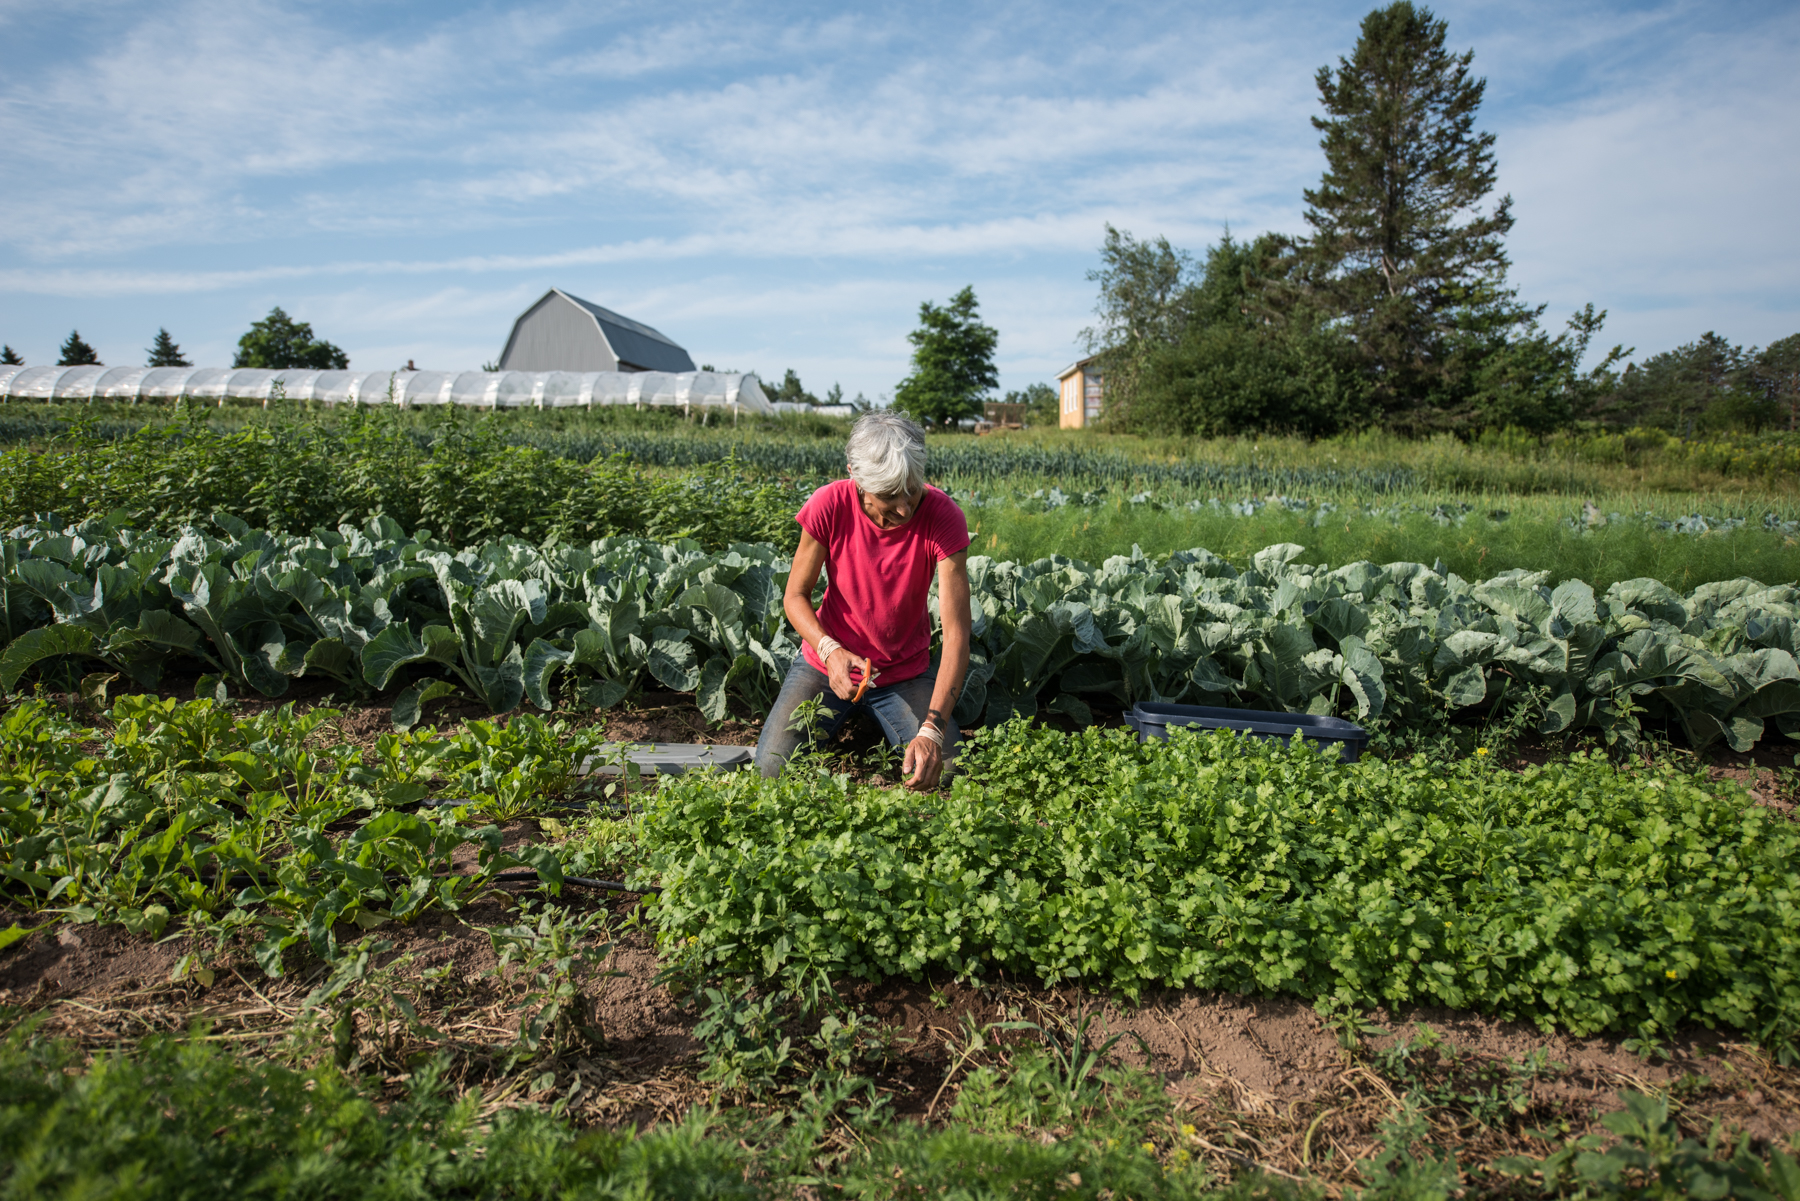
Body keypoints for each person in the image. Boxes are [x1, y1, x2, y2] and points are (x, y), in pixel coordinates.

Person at [754, 410, 971, 789]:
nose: (904, 507)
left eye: (912, 490)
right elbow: (795, 596)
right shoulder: (830, 504)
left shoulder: (943, 517)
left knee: (948, 774)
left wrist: (932, 729)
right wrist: (829, 650)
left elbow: (956, 635)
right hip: (825, 665)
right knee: (771, 772)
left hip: (904, 673)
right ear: (856, 477)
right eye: (889, 495)